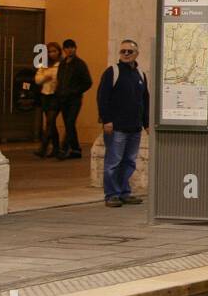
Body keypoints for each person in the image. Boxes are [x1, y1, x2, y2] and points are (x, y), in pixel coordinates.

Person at [95, 39, 149, 208]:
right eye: (123, 51)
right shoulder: (113, 72)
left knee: (129, 161)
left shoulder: (140, 74)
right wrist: (107, 120)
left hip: (134, 128)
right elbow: (102, 97)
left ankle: (124, 192)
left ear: (136, 54)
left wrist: (146, 124)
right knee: (113, 162)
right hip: (116, 127)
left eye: (129, 52)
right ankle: (112, 194)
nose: (125, 54)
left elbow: (144, 100)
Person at [53, 37, 92, 160]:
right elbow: (60, 79)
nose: (70, 50)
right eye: (67, 48)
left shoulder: (80, 64)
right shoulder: (63, 64)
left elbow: (88, 82)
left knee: (69, 123)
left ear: (75, 48)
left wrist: (75, 91)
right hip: (63, 98)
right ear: (64, 50)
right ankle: (76, 150)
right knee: (69, 124)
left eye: (72, 48)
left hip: (74, 99)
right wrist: (59, 92)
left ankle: (64, 149)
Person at [34, 41, 62, 158]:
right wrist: (47, 76)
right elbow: (37, 79)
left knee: (50, 122)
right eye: (49, 51)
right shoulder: (43, 65)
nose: (52, 54)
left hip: (56, 96)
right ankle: (56, 148)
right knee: (51, 123)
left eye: (54, 51)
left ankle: (43, 147)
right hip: (45, 95)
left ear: (59, 52)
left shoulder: (62, 64)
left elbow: (60, 79)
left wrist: (50, 77)